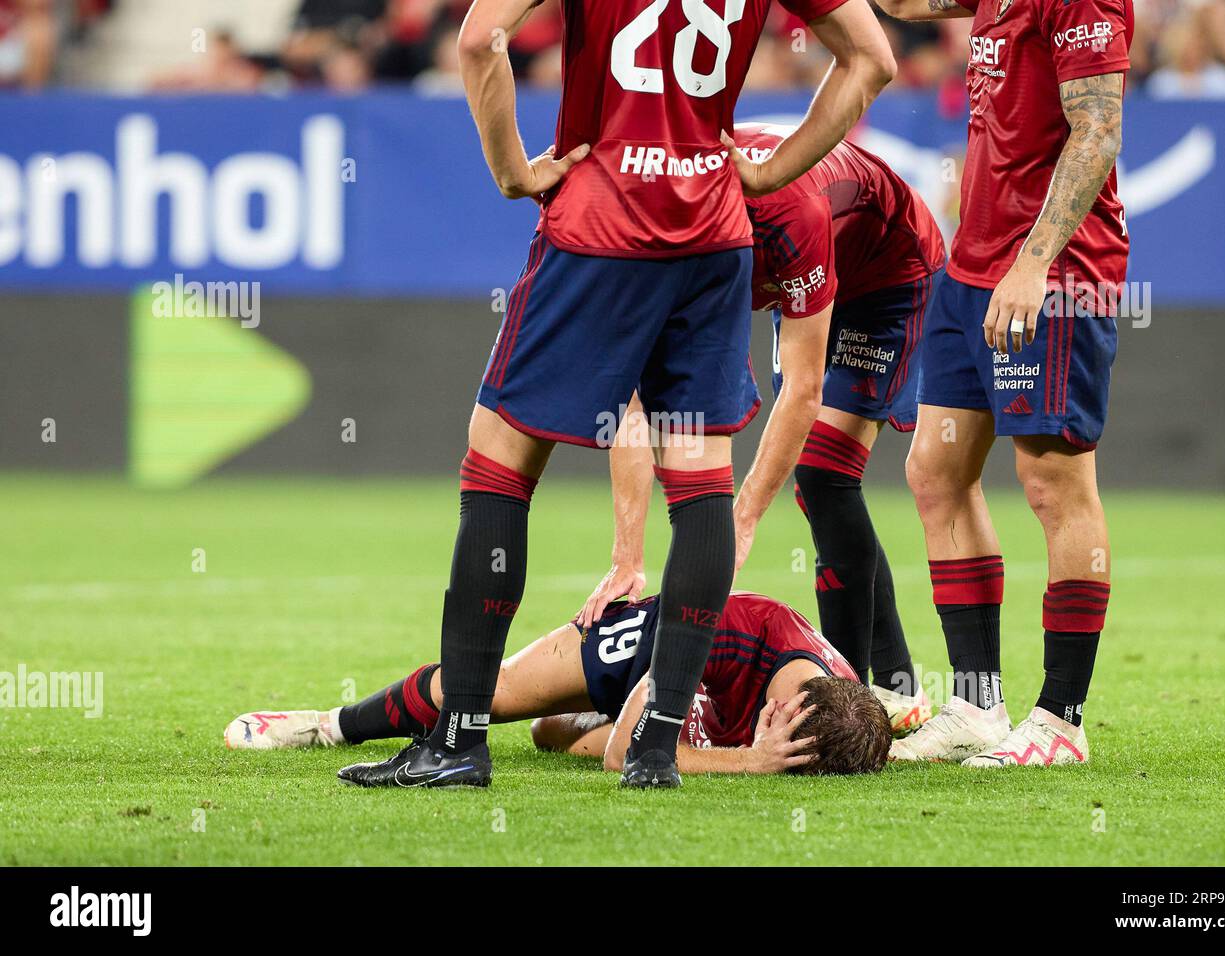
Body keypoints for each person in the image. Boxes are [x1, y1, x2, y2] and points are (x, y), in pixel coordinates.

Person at [386, 0, 897, 790]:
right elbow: (872, 59)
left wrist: (514, 171)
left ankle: (458, 741)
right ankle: (657, 749)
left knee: (499, 468)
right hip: (713, 237)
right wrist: (769, 171)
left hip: (599, 230)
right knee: (700, 486)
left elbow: (480, 37)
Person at [580, 123, 945, 736]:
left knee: (824, 472)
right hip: (805, 277)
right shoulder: (656, 224)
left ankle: (856, 692)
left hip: (886, 274)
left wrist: (739, 521)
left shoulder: (787, 213)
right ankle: (893, 683)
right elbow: (635, 402)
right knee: (818, 480)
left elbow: (804, 390)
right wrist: (628, 556)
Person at [873, 0, 1129, 767]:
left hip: (1051, 274)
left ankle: (1061, 720)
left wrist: (1034, 262)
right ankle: (978, 705)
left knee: (1054, 483)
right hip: (972, 267)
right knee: (935, 471)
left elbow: (1098, 128)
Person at [224, 591, 894, 780]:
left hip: (706, 694)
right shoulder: (732, 632)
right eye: (771, 737)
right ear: (779, 708)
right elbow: (623, 757)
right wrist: (749, 758)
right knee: (500, 694)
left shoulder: (842, 705)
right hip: (662, 640)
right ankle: (323, 723)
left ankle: (583, 716)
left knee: (552, 737)